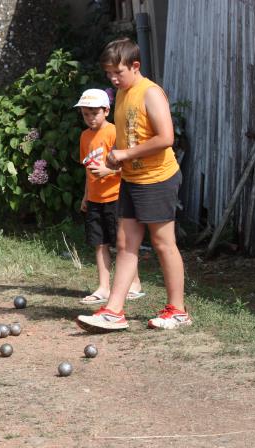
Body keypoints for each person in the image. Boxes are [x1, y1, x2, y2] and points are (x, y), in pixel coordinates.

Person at [77, 38, 191, 331]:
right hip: (131, 178)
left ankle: (178, 311)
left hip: (157, 180)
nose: (113, 79)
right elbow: (131, 136)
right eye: (109, 74)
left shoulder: (149, 93)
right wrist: (115, 163)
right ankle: (114, 311)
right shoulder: (122, 93)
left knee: (164, 244)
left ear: (135, 66)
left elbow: (166, 138)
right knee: (126, 244)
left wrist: (125, 154)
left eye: (118, 72)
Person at [75, 88, 144, 305]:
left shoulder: (115, 132)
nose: (90, 118)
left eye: (94, 113)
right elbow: (88, 169)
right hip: (95, 199)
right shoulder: (85, 136)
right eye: (85, 113)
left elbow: (130, 167)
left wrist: (109, 171)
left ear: (106, 111)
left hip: (116, 197)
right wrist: (86, 195)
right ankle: (104, 287)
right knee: (100, 243)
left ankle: (135, 284)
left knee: (123, 244)